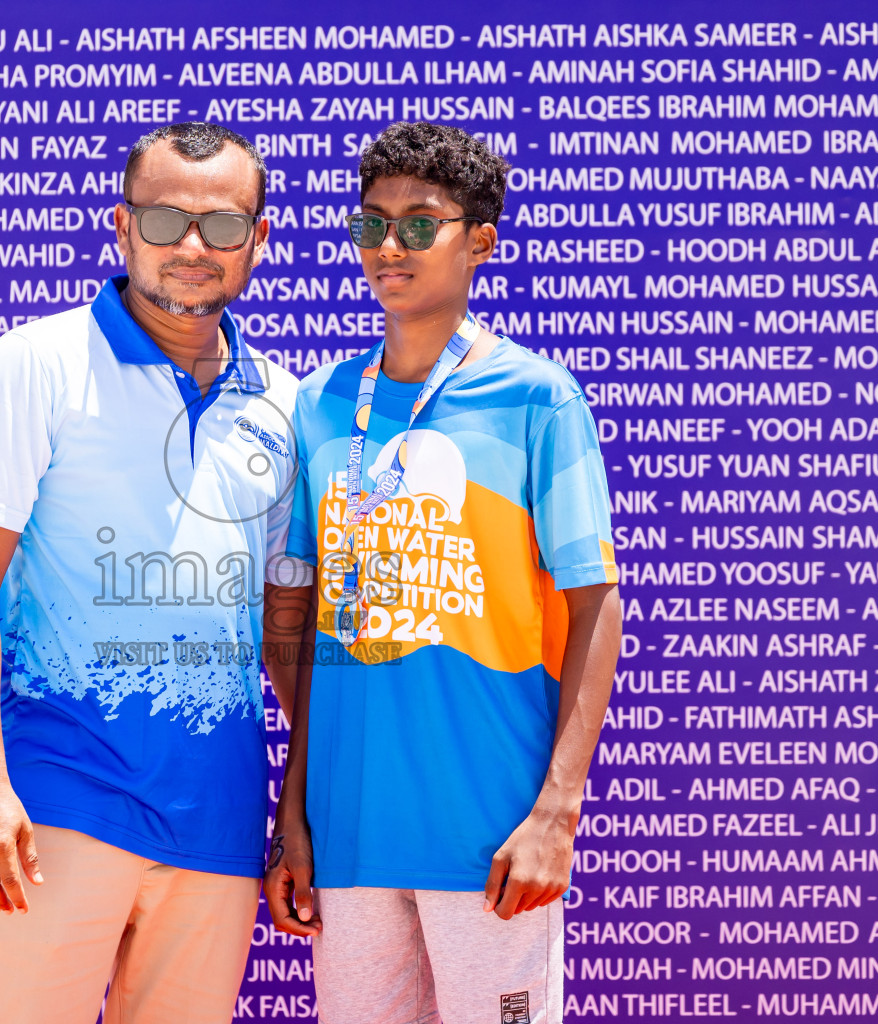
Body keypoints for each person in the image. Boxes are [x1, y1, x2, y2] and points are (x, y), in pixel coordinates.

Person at [0, 122, 309, 1024]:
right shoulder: (39, 362)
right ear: (121, 226)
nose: (191, 246)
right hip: (59, 802)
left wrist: (298, 809)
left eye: (222, 226)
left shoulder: (286, 399)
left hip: (217, 825)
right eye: (164, 218)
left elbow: (288, 633)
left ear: (258, 242)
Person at [262, 121, 622, 1024]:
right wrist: (296, 810)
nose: (390, 246)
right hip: (349, 838)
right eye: (372, 223)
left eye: (420, 224)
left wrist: (555, 816)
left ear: (480, 243)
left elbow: (595, 604)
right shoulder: (319, 401)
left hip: (489, 837)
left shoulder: (539, 396)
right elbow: (308, 636)